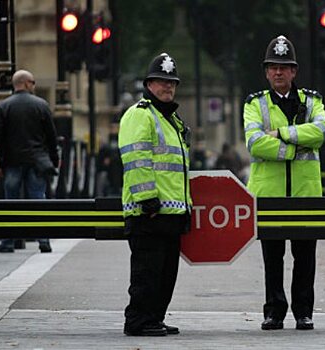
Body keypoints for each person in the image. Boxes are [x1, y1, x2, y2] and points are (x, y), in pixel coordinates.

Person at [243, 35, 325, 331]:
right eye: (273, 67)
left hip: (306, 193)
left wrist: (279, 134)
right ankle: (274, 311)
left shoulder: (313, 101)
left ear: (294, 71)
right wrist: (296, 146)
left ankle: (303, 311)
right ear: (266, 72)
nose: (278, 72)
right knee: (272, 257)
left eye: (284, 67)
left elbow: (320, 133)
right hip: (269, 194)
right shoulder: (255, 104)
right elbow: (254, 143)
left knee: (305, 255)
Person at [119, 53, 192, 337]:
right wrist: (147, 197)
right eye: (162, 82)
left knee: (165, 274)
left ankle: (154, 318)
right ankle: (138, 320)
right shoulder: (140, 114)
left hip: (171, 212)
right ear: (149, 84)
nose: (168, 88)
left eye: (172, 83)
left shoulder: (171, 119)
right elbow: (136, 158)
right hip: (148, 211)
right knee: (146, 273)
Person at [0, 70, 59, 253]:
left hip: (12, 161)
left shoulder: (3, 106)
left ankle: (8, 242)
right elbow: (51, 136)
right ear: (27, 83)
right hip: (36, 160)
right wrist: (54, 159)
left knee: (10, 203)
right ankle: (43, 240)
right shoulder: (41, 105)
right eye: (33, 82)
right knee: (38, 200)